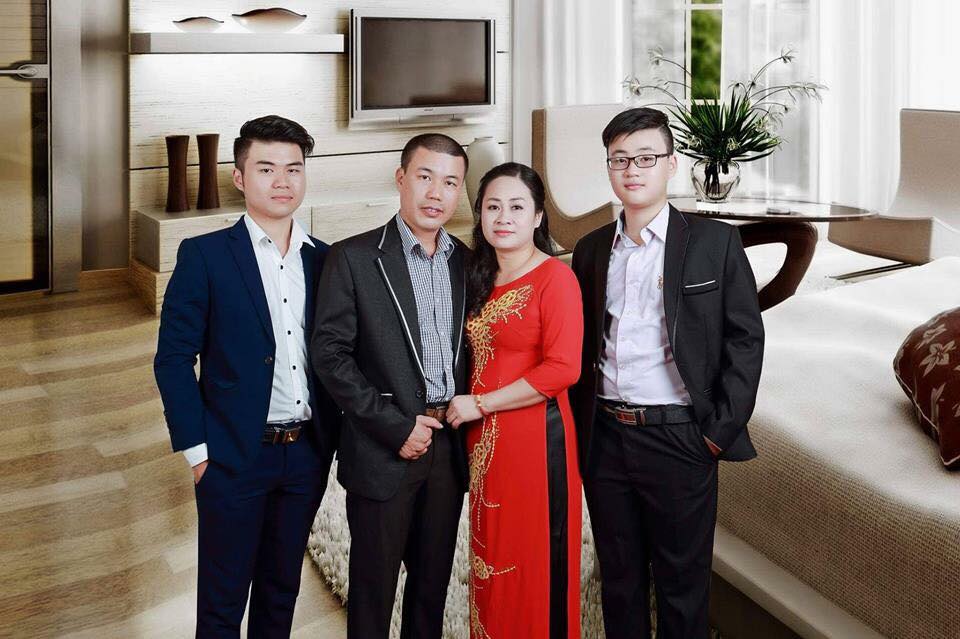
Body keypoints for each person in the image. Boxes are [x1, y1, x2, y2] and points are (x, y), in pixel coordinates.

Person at [569, 107, 765, 639]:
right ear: (609, 168)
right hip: (606, 436)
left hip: (680, 435)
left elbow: (746, 340)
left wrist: (717, 432)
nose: (632, 170)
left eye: (646, 158)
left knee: (682, 586)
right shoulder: (590, 250)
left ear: (671, 164)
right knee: (620, 580)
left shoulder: (714, 243)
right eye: (620, 160)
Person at [154, 115, 340, 638]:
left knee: (281, 592)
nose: (282, 181)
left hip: (305, 453)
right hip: (232, 456)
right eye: (266, 168)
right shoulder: (204, 256)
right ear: (239, 177)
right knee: (222, 602)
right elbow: (173, 359)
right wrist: (197, 452)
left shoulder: (326, 261)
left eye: (293, 169)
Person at [311, 133, 471, 639]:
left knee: (431, 589)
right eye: (425, 177)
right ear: (401, 179)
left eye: (450, 183)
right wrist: (395, 427)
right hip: (385, 446)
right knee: (372, 593)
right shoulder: (353, 257)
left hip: (448, 448)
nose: (436, 193)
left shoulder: (468, 262)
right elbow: (329, 355)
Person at [446, 162, 584, 639]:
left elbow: (563, 369)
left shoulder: (555, 279)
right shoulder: (475, 275)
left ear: (538, 217)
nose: (504, 217)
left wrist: (481, 403)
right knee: (491, 554)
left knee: (534, 561)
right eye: (493, 207)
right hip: (484, 441)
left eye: (517, 207)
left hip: (535, 441)